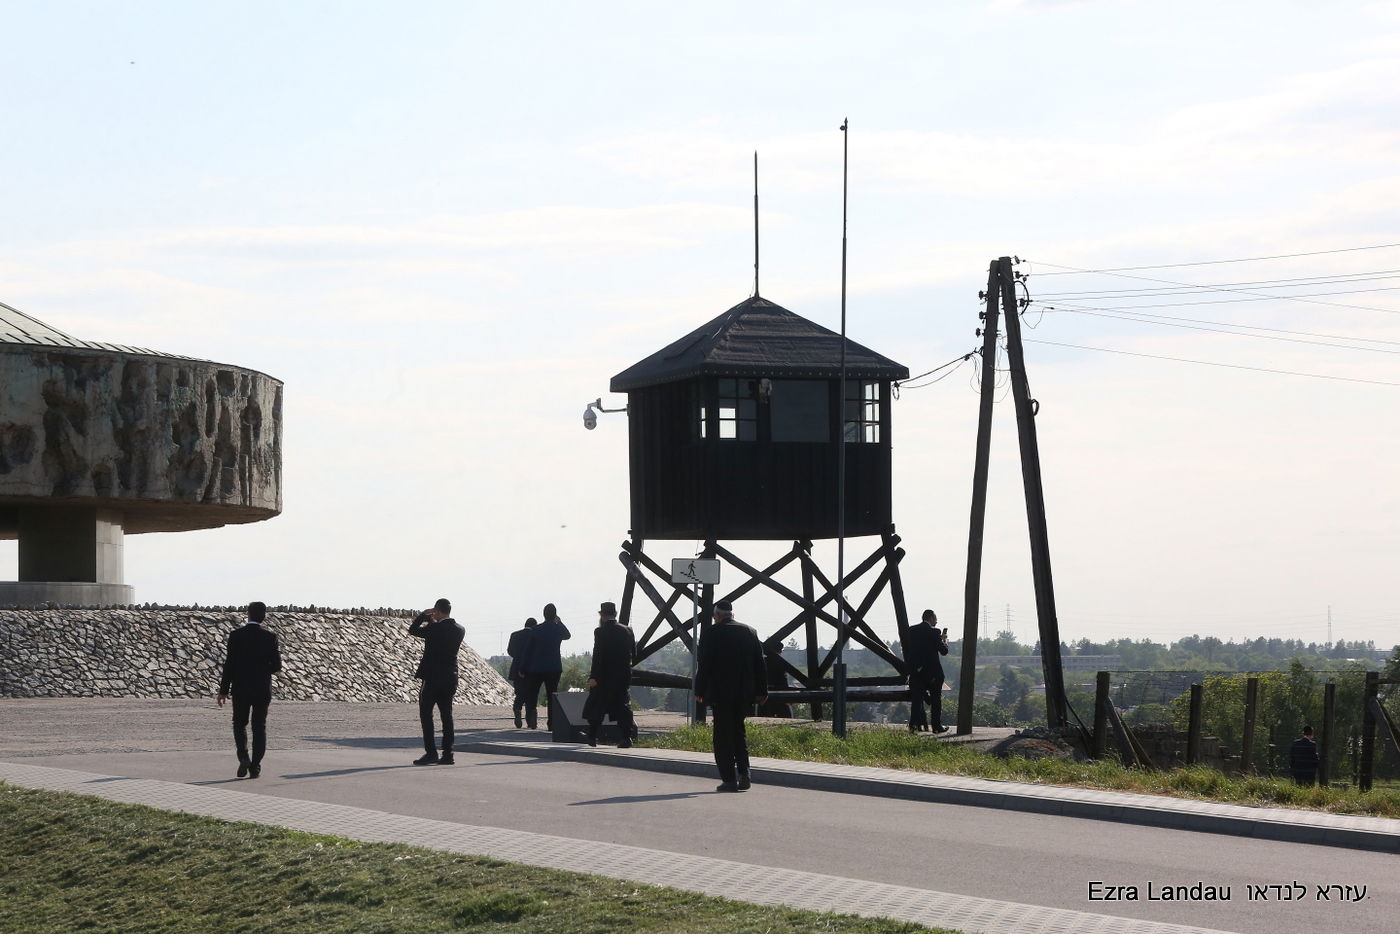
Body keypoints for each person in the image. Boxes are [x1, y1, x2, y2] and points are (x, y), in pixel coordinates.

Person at [693, 600, 766, 792]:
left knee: (722, 736)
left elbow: (705, 664)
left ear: (717, 615)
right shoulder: (750, 631)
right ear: (732, 614)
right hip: (744, 694)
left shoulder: (711, 633)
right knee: (738, 733)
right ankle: (744, 773)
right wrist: (761, 691)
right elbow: (760, 664)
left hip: (720, 693)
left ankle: (729, 779)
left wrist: (699, 690)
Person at [216, 601, 282, 779]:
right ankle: (256, 766)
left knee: (239, 724)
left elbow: (229, 665)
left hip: (241, 688)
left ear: (248, 615)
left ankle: (243, 757)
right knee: (259, 727)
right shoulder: (270, 637)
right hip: (262, 689)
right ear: (264, 616)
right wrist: (261, 670)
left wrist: (223, 690)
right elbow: (277, 666)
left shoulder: (236, 636)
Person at [408, 598, 465, 765]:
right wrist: (433, 621)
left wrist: (423, 616)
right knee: (447, 715)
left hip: (432, 677)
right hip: (450, 676)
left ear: (437, 611)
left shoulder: (434, 628)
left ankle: (431, 752)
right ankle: (448, 754)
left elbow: (413, 630)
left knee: (426, 715)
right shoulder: (460, 629)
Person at [583, 601, 636, 748]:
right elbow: (634, 653)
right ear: (615, 614)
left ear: (601, 615)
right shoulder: (628, 630)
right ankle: (626, 737)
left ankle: (592, 736)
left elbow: (598, 655)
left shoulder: (600, 632)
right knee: (623, 706)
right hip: (623, 676)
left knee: (597, 706)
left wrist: (593, 676)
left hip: (604, 676)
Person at [521, 603, 570, 730]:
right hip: (554, 668)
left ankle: (531, 718)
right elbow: (567, 635)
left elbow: (528, 650)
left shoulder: (535, 630)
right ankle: (552, 723)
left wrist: (522, 668)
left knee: (533, 694)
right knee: (551, 695)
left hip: (536, 668)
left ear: (543, 615)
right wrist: (559, 622)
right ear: (555, 615)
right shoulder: (558, 628)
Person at [905, 609, 950, 733]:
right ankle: (936, 726)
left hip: (917, 672)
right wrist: (944, 640)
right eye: (935, 618)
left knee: (916, 700)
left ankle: (912, 726)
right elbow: (943, 651)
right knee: (936, 699)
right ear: (931, 618)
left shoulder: (912, 630)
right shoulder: (935, 632)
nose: (936, 620)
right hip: (932, 672)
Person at [506, 617, 537, 729]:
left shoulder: (515, 635)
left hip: (516, 668)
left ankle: (517, 709)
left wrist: (518, 658)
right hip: (532, 669)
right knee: (531, 695)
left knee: (519, 693)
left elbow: (510, 651)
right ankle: (530, 720)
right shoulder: (535, 636)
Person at [758, 640, 793, 718]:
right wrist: (788, 697)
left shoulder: (763, 661)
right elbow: (783, 680)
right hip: (779, 693)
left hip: (765, 692)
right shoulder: (780, 662)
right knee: (785, 717)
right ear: (779, 651)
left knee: (764, 717)